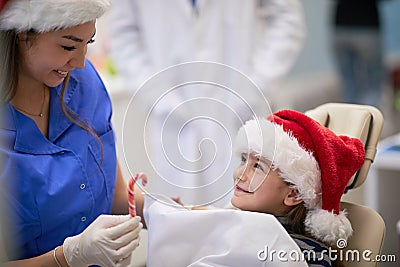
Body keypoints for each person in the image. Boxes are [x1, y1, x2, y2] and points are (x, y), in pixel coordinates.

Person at [109, 0, 306, 206]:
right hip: (173, 115)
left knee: (247, 222)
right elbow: (123, 36)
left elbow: (288, 20)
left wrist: (257, 83)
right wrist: (159, 96)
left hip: (240, 108)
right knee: (180, 221)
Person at [0, 0, 144, 266]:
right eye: (68, 46)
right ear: (22, 34)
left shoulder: (85, 83)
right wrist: (68, 256)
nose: (79, 62)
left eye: (87, 43)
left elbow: (117, 199)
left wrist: (172, 213)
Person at [142, 110, 365, 266]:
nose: (240, 173)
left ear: (294, 192)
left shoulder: (307, 254)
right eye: (242, 160)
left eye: (258, 166)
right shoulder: (228, 221)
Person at [332, 0, 387, 107]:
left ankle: (350, 120)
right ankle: (369, 120)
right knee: (372, 86)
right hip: (367, 27)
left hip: (340, 27)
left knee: (349, 86)